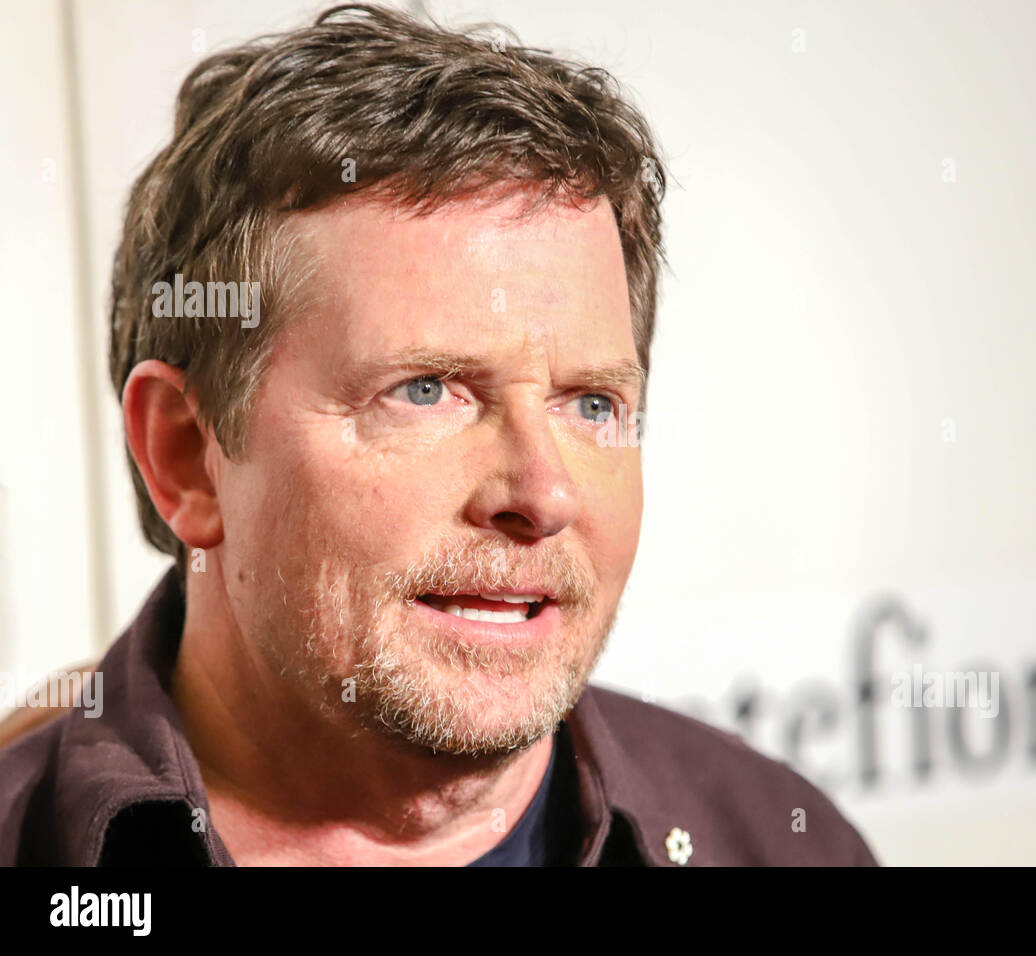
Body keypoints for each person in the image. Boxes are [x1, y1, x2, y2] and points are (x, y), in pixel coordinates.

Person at [0, 4, 877, 867]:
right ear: (186, 457)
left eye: (591, 404)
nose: (543, 493)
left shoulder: (778, 840)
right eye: (427, 391)